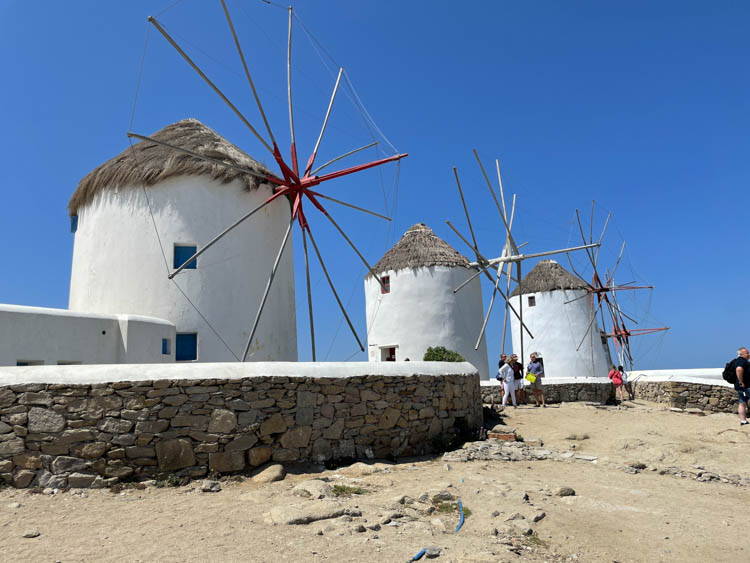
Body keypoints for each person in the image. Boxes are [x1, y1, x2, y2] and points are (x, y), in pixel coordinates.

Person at [734, 347, 750, 426]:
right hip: (746, 386)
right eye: (747, 353)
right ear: (741, 354)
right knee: (742, 403)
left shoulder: (737, 361)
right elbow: (739, 369)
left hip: (740, 387)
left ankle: (743, 421)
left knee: (742, 403)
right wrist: (741, 382)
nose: (749, 354)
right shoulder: (741, 361)